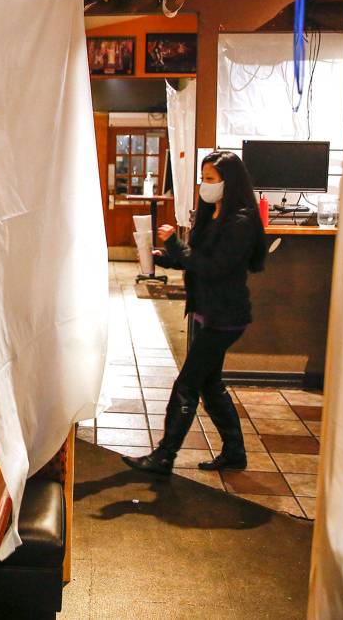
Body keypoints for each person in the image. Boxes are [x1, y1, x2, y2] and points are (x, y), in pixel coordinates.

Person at [123, 151, 267, 475]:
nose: (206, 185)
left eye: (212, 179)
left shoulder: (240, 221)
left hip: (225, 317)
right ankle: (235, 451)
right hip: (207, 312)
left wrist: (175, 244)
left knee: (187, 383)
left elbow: (213, 267)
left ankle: (164, 455)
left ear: (230, 182)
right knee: (210, 384)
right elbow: (196, 260)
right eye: (204, 178)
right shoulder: (212, 214)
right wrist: (163, 256)